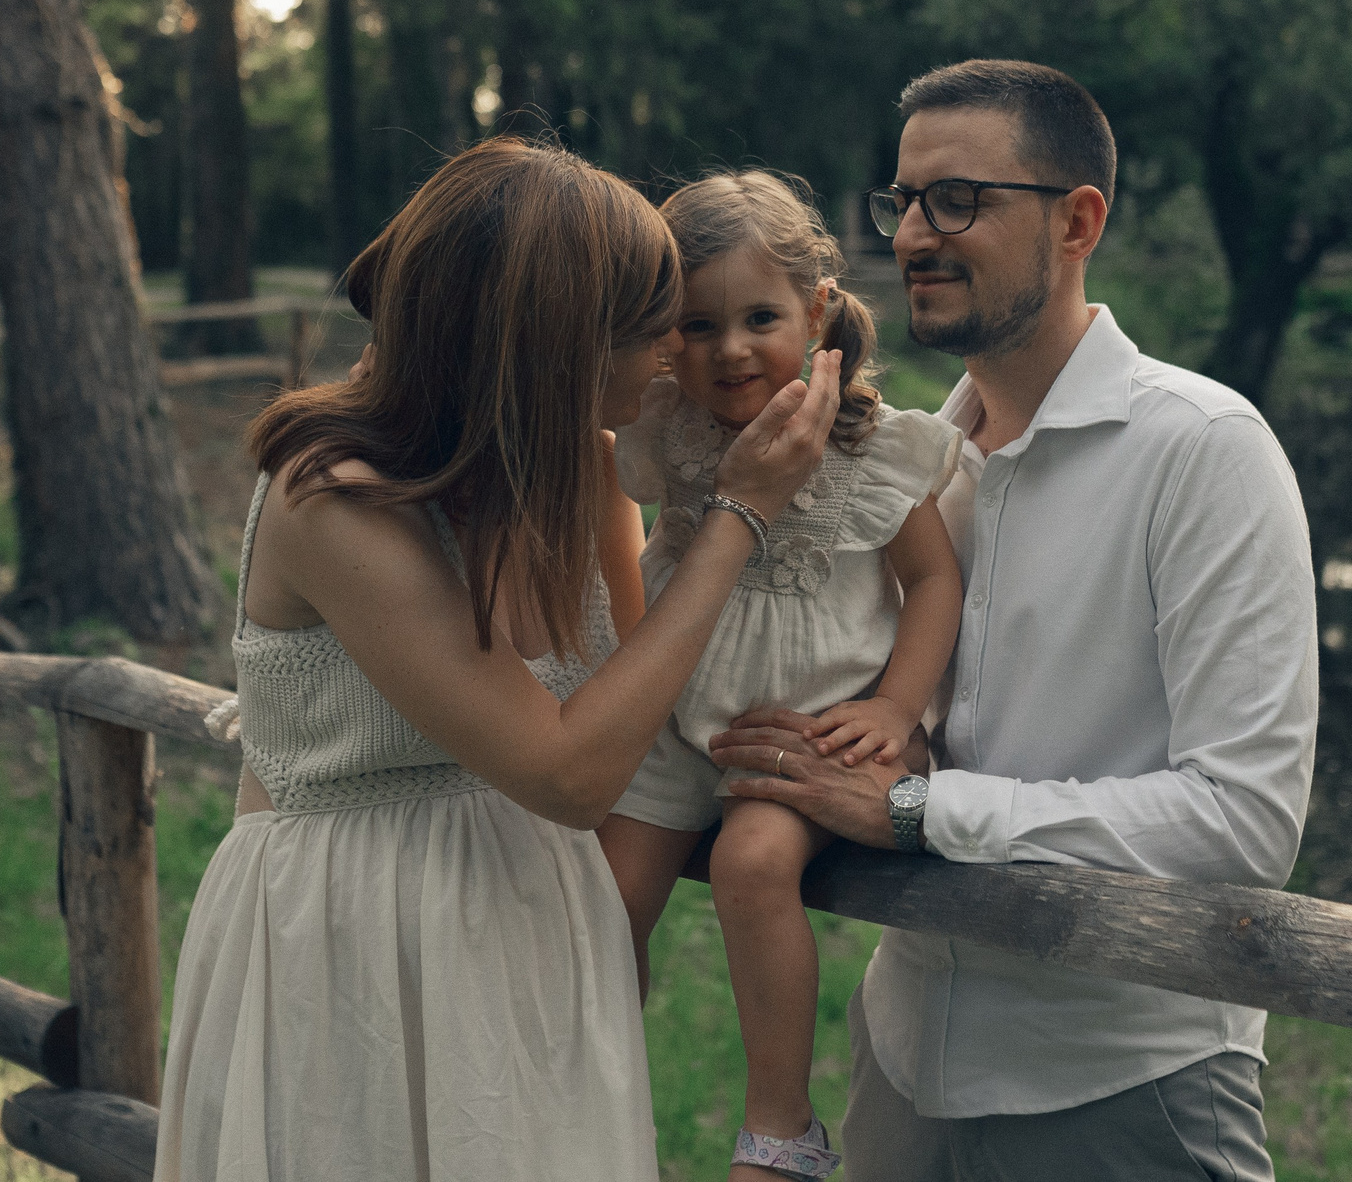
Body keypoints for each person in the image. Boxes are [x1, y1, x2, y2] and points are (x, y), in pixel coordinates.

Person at [154, 138, 843, 1182]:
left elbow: (643, 692)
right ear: (551, 341)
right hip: (357, 947)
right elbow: (567, 772)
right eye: (642, 324)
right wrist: (741, 516)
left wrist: (851, 733)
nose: (670, 345)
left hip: (537, 924)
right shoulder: (330, 493)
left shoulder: (574, 464)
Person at [709, 61, 1319, 1181]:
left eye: (960, 199)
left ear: (1078, 219)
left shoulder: (1204, 449)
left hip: (1123, 1087)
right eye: (903, 202)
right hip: (900, 1072)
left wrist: (915, 811)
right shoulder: (895, 468)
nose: (914, 235)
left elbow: (1243, 823)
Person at [596, 171, 964, 1182]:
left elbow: (933, 582)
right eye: (695, 324)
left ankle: (779, 1127)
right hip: (678, 722)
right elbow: (627, 550)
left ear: (812, 311)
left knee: (750, 865)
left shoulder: (870, 443)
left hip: (804, 734)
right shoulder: (663, 428)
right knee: (600, 887)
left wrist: (894, 708)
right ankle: (591, 1097)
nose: (729, 349)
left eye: (759, 317)